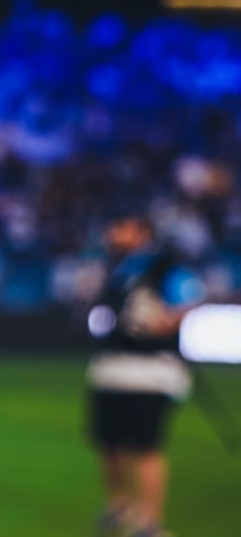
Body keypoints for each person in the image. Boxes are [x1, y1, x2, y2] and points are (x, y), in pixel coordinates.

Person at [86, 212, 203, 537]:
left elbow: (190, 296)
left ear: (142, 231)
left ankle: (151, 521)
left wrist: (168, 320)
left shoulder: (163, 265)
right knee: (109, 442)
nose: (113, 233)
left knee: (145, 445)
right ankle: (121, 504)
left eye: (121, 226)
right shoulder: (114, 267)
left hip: (151, 370)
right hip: (112, 365)